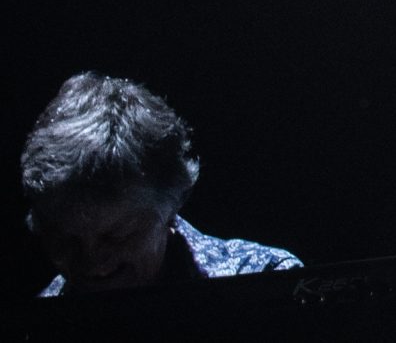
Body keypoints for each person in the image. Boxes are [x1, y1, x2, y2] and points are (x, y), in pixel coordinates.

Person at [21, 73, 298, 297]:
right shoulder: (40, 320)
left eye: (116, 236)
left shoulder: (270, 284)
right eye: (67, 241)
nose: (93, 262)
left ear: (170, 211)